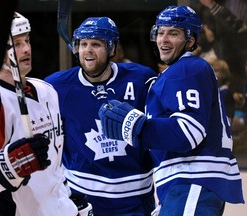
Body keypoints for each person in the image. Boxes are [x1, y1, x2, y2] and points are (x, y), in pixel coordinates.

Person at [99, 6, 245, 215]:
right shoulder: (175, 74)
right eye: (160, 32)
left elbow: (188, 133)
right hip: (184, 185)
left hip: (193, 180)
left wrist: (135, 126)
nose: (163, 39)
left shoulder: (186, 68)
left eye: (173, 33)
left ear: (191, 41)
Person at [0, 10, 78, 216]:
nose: (26, 49)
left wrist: (66, 201)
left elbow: (54, 164)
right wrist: (7, 168)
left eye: (27, 40)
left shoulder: (46, 91)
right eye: (17, 43)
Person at [45, 17, 157, 216]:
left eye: (96, 44)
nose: (88, 50)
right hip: (81, 198)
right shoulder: (56, 87)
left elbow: (157, 130)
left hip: (136, 199)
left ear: (112, 49)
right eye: (83, 44)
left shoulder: (141, 80)